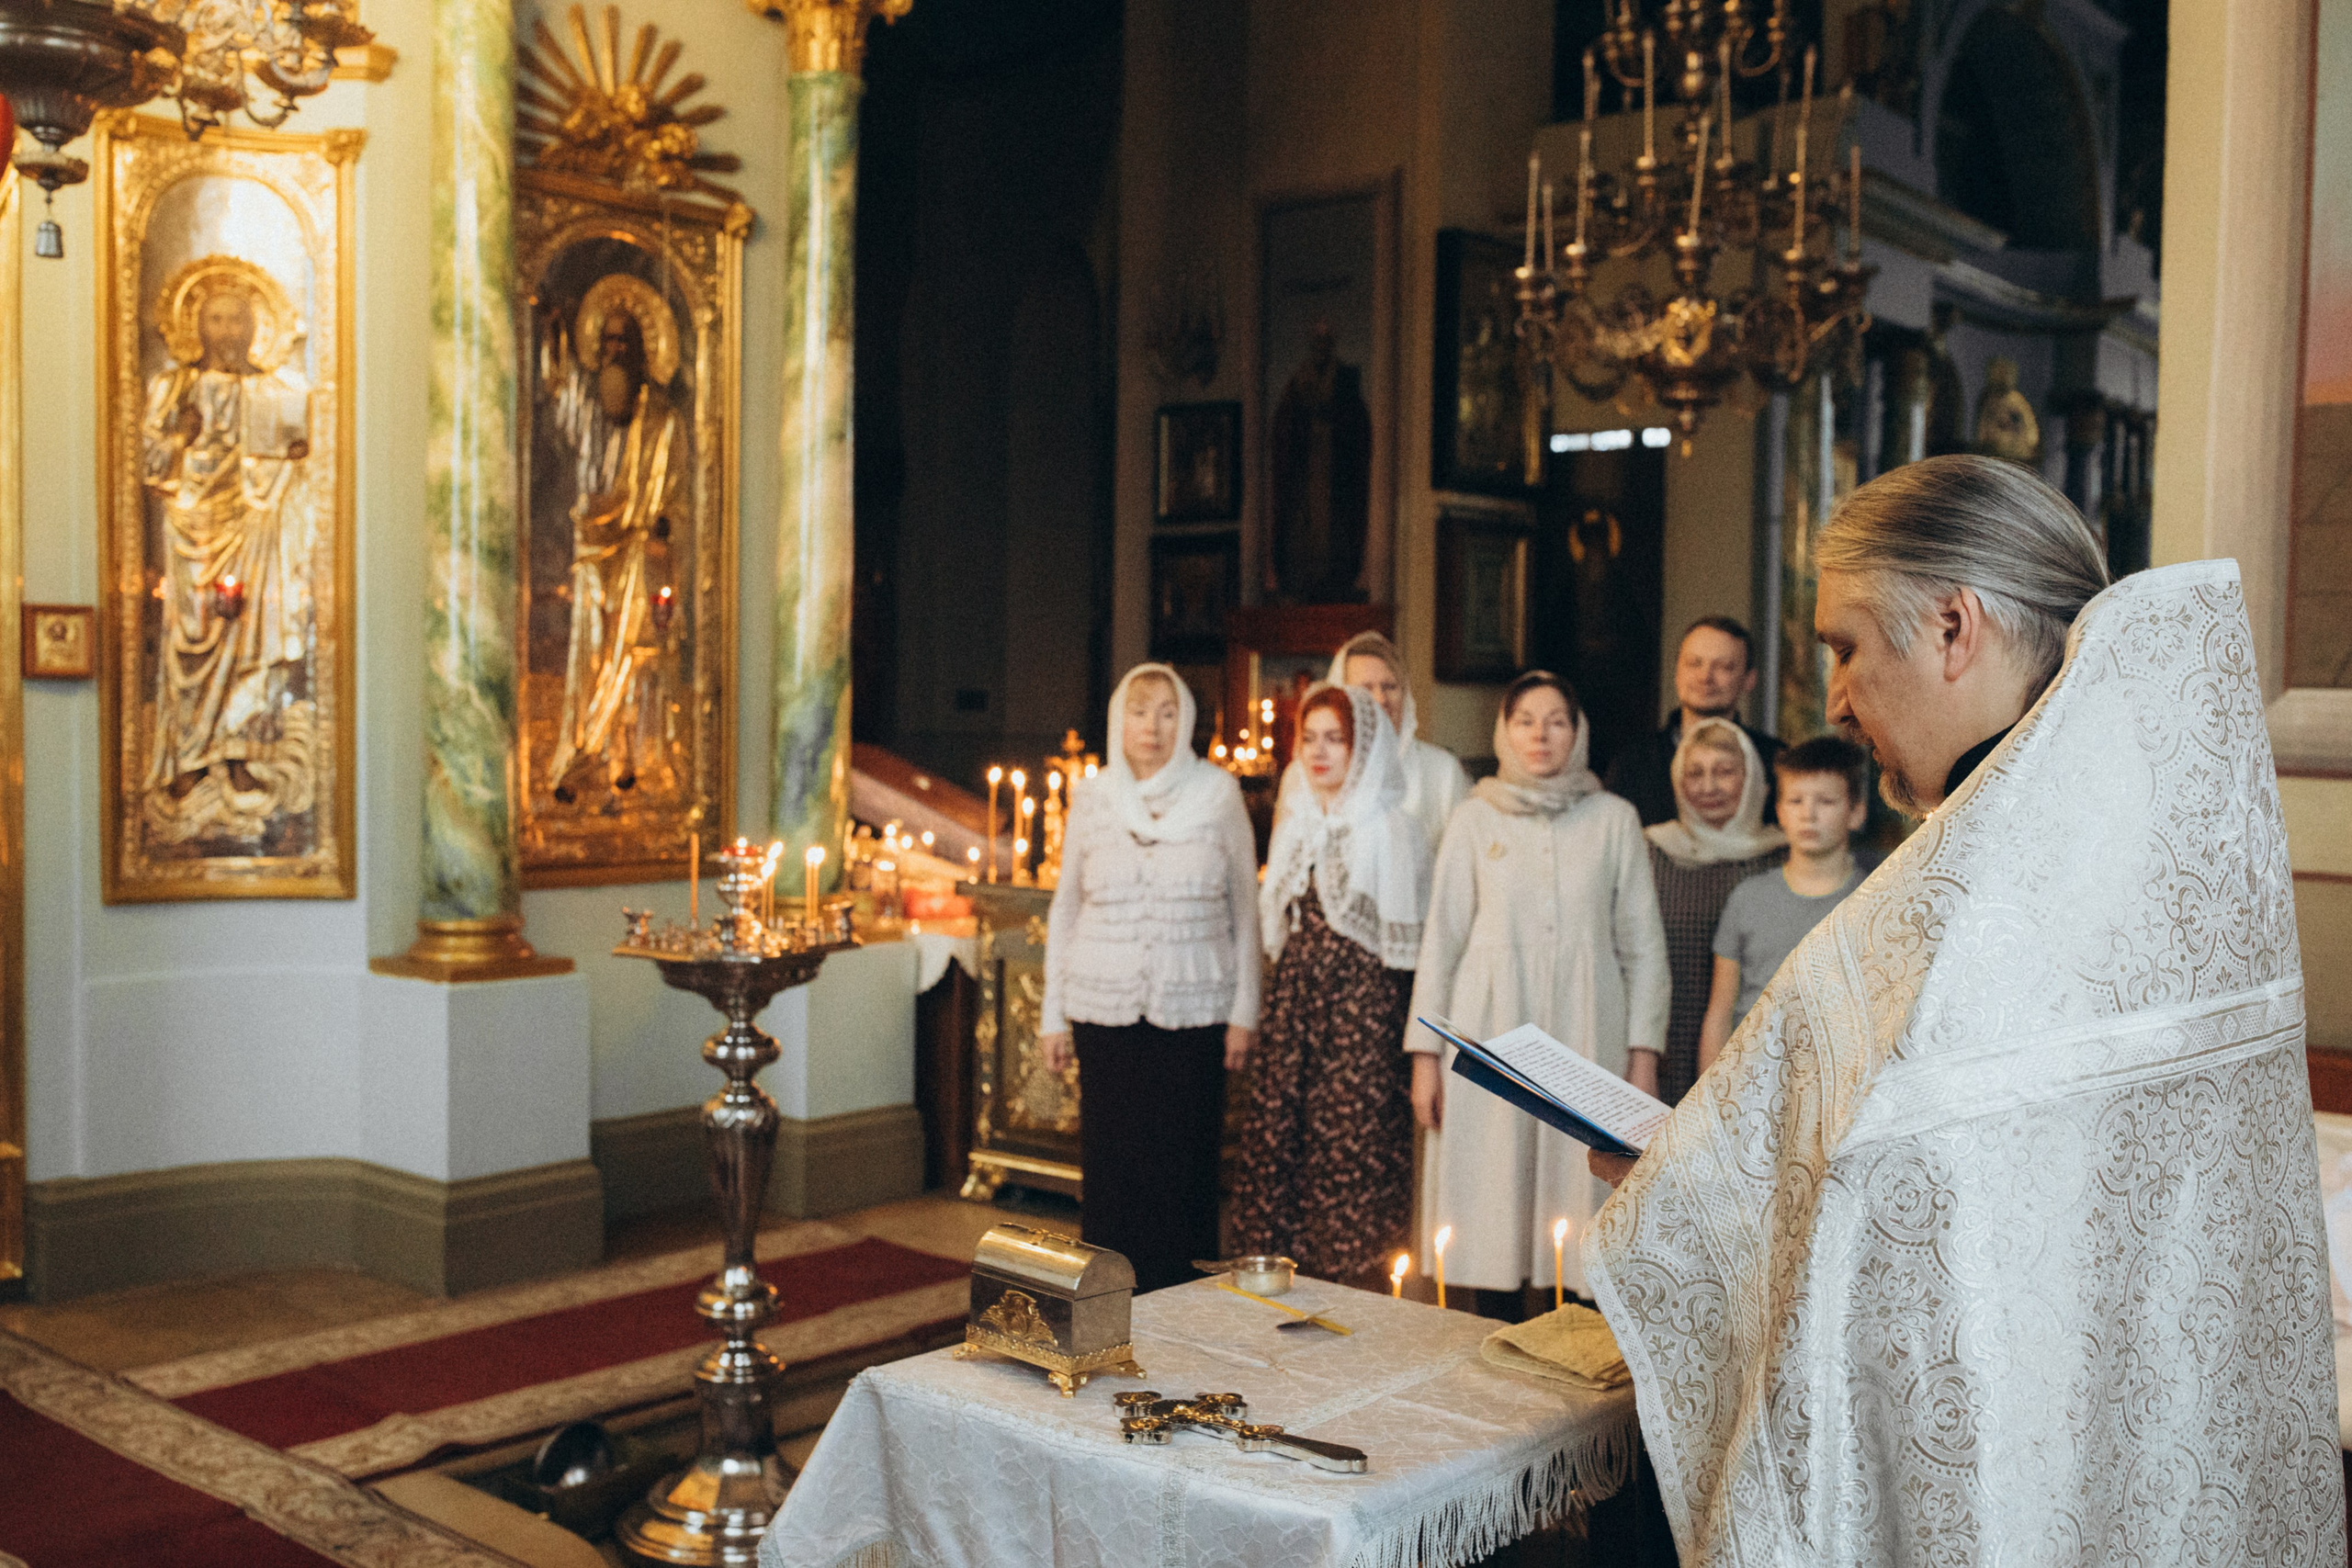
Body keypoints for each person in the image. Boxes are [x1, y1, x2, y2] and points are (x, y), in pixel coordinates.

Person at [1583, 456, 2341, 1564]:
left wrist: (1680, 1187)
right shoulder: (2144, 841)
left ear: (1951, 626)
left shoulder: (1972, 903)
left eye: (1844, 646)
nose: (1834, 699)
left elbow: (1895, 1220)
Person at [1408, 671, 1669, 1311]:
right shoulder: (1473, 816)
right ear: (1504, 730)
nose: (1541, 733)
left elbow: (1643, 945)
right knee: (1492, 1181)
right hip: (1489, 1022)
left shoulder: (1614, 818)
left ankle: (1569, 1336)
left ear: (1578, 732)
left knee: (1573, 1184)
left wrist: (1643, 1055)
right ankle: (1491, 1327)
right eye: (1526, 719)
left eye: (1556, 719)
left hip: (1587, 1024)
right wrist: (1423, 1058)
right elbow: (1441, 939)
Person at [1039, 664, 1261, 1292]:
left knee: (1182, 1167)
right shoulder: (1095, 795)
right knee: (1112, 1170)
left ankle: (1183, 1307)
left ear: (1185, 720)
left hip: (1194, 1010)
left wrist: (1246, 1009)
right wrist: (1052, 1014)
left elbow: (1247, 909)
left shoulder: (1217, 794)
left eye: (1167, 712)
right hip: (1102, 1010)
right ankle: (1111, 1303)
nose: (1153, 726)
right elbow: (1067, 907)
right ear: (1119, 720)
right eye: (1140, 711)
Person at [1230, 683, 1427, 1287]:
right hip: (1297, 1002)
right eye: (1309, 738)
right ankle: (1280, 1280)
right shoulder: (1298, 822)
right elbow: (1279, 926)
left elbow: (1405, 941)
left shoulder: (1391, 824)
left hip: (1362, 1008)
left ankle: (1351, 1285)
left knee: (1349, 1146)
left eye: (1335, 739)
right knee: (1280, 1136)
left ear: (1362, 746)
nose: (1320, 752)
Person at [1695, 736, 1868, 1070]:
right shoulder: (1747, 899)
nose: (1809, 814)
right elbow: (1719, 1013)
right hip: (1749, 1079)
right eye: (1796, 800)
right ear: (1779, 811)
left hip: (1836, 1083)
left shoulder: (1871, 902)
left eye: (1826, 801)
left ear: (1856, 812)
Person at [1643, 718, 1785, 1104]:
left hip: (1757, 1059)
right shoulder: (1651, 852)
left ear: (1752, 778)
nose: (1708, 787)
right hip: (1662, 1052)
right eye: (1695, 773)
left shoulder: (1783, 857)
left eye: (1724, 772)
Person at [1272, 629, 1470, 852]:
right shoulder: (1302, 774)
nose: (1380, 699)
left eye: (1390, 687)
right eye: (1365, 688)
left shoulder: (1443, 772)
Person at [1604, 616, 1783, 828]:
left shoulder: (1775, 763)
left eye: (1724, 667)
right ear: (1677, 673)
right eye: (1694, 663)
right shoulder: (1633, 765)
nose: (1705, 676)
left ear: (1749, 679)